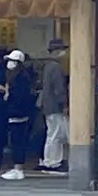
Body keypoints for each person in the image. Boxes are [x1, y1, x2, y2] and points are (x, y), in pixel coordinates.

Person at [0, 50, 35, 180]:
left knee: (17, 141)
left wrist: (7, 92)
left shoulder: (21, 78)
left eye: (12, 61)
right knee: (16, 141)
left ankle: (18, 168)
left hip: (18, 114)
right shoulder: (17, 76)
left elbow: (19, 96)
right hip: (17, 113)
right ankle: (17, 167)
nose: (9, 63)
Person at [38, 37, 69, 173]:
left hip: (47, 105)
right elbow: (58, 88)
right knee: (56, 134)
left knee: (52, 134)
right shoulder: (56, 67)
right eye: (62, 50)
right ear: (56, 51)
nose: (64, 52)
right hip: (55, 106)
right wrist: (64, 104)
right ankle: (53, 162)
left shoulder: (47, 66)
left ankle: (50, 160)